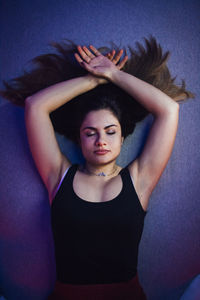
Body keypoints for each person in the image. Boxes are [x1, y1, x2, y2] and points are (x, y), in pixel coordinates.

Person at [0, 37, 194, 299]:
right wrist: (93, 79)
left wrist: (113, 74)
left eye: (110, 132)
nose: (101, 140)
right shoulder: (59, 175)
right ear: (79, 139)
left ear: (122, 138)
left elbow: (169, 110)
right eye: (90, 133)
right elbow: (36, 106)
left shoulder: (140, 179)